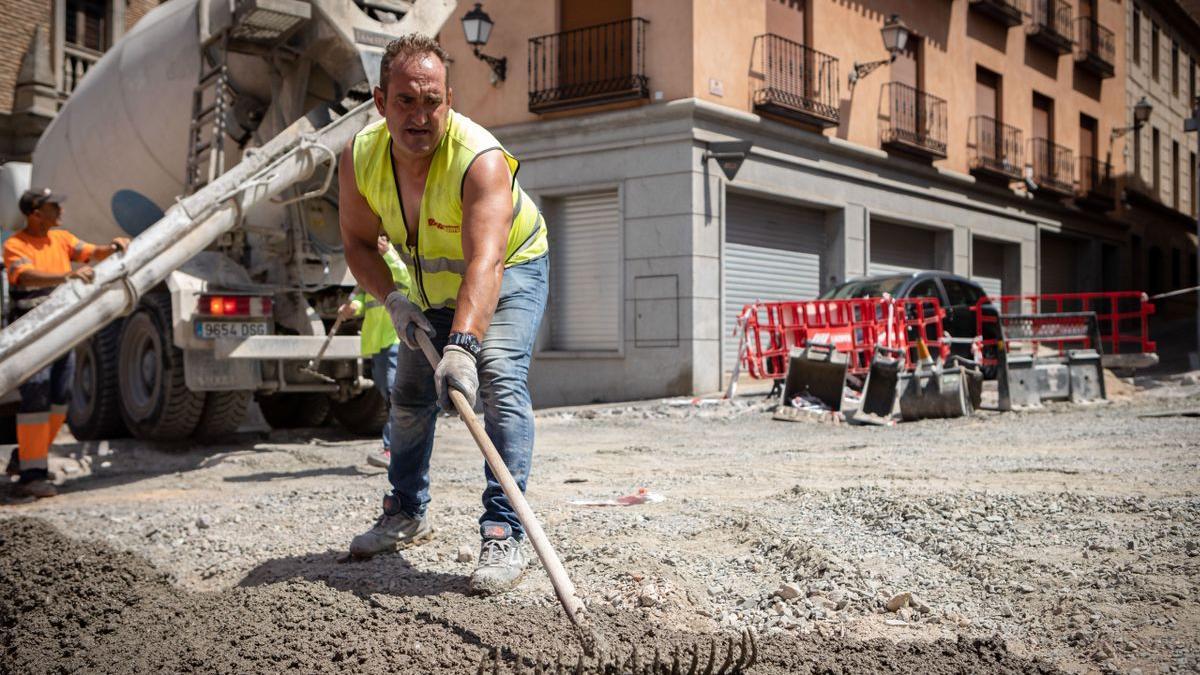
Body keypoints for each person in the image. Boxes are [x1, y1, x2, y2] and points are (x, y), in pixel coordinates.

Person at [337, 33, 549, 595]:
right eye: (406, 101)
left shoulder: (478, 160)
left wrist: (464, 346)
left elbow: (487, 259)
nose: (420, 115)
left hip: (510, 268)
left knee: (499, 381)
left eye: (432, 102)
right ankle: (405, 511)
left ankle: (504, 530)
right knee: (409, 393)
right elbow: (358, 244)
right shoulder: (360, 158)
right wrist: (394, 299)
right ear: (380, 102)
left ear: (449, 100)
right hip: (429, 286)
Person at [3, 188, 129, 499]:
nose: (60, 210)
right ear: (35, 214)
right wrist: (65, 278)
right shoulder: (14, 244)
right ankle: (32, 476)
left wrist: (114, 246)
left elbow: (91, 252)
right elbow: (25, 276)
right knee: (37, 398)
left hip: (62, 331)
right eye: (52, 206)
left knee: (60, 401)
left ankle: (27, 458)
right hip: (32, 333)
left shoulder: (61, 238)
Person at [337, 234, 411, 468]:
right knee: (385, 390)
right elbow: (363, 296)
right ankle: (400, 447)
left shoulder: (397, 258)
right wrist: (351, 308)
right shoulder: (369, 265)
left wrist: (388, 252)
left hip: (393, 337)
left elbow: (404, 277)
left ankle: (394, 449)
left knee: (393, 394)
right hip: (375, 341)